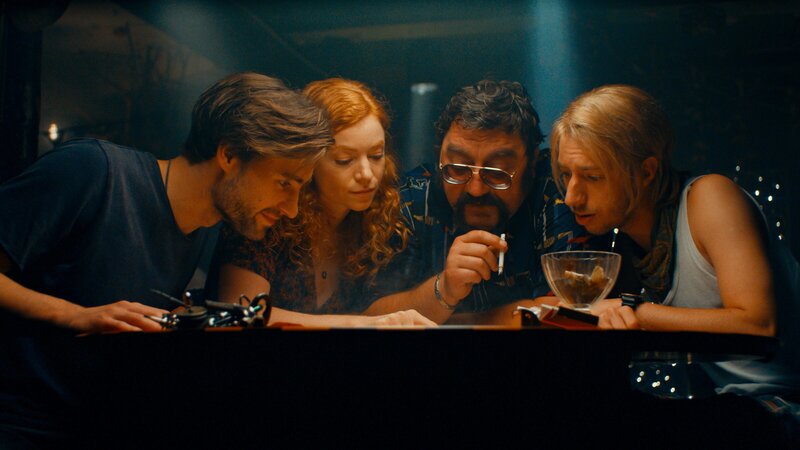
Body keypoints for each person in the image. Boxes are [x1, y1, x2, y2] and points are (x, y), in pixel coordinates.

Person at [0, 72, 337, 448]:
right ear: (228, 155)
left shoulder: (208, 227)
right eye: (285, 183)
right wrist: (72, 314)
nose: (292, 209)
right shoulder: (92, 169)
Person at [549, 84, 800, 428]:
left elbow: (758, 323)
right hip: (731, 407)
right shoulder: (623, 241)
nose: (572, 197)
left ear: (646, 172)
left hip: (783, 407)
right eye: (566, 175)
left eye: (592, 177)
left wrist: (634, 310)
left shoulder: (710, 198)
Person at [364, 79, 592, 325]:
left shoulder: (559, 190)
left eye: (497, 173)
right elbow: (367, 317)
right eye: (458, 169)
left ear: (532, 165)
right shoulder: (412, 197)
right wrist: (445, 288)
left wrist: (446, 322)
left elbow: (572, 314)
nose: (475, 190)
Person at [215, 78, 434, 327]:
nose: (366, 174)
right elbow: (240, 313)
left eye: (376, 155)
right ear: (310, 163)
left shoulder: (372, 223)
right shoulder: (269, 213)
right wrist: (358, 324)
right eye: (344, 160)